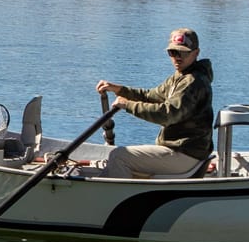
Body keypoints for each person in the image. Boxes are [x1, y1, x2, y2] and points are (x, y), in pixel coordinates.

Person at [89, 28, 214, 178]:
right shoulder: (180, 77)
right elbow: (150, 96)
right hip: (182, 151)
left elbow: (167, 114)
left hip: (185, 154)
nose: (177, 58)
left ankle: (112, 199)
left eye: (183, 52)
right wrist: (119, 90)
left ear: (196, 53)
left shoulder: (192, 81)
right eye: (173, 53)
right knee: (122, 158)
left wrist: (127, 105)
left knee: (119, 156)